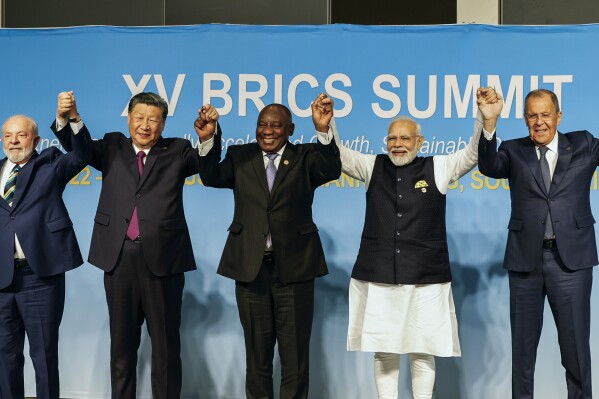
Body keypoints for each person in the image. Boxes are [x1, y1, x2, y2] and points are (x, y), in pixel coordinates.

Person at [312, 89, 499, 399]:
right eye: (392, 139)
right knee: (384, 350)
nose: (397, 144)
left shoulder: (438, 168)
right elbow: (339, 156)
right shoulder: (372, 165)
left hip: (425, 279)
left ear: (419, 142)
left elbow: (472, 154)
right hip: (379, 274)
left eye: (404, 139)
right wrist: (325, 127)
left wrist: (486, 119)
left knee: (422, 351)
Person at [52, 92, 219, 399]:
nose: (145, 125)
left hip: (164, 261)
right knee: (122, 348)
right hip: (119, 259)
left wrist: (208, 138)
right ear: (128, 118)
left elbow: (207, 169)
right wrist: (71, 117)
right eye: (139, 118)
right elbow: (79, 149)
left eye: (153, 120)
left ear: (163, 123)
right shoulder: (112, 146)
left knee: (166, 349)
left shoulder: (178, 150)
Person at [196, 103, 341, 398]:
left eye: (276, 126)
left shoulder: (305, 158)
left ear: (290, 130)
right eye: (263, 124)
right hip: (251, 270)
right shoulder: (241, 156)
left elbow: (331, 170)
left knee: (295, 360)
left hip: (295, 269)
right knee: (257, 358)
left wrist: (324, 130)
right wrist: (208, 139)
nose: (267, 131)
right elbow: (211, 177)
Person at [478, 88, 596, 399]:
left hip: (572, 263)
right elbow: (488, 167)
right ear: (525, 119)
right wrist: (488, 123)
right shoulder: (514, 150)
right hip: (525, 263)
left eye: (545, 115)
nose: (539, 122)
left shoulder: (583, 143)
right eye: (532, 116)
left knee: (576, 352)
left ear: (559, 116)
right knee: (523, 353)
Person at [0, 93, 92, 399]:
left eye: (21, 135)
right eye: (7, 136)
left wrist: (72, 119)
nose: (14, 142)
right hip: (2, 279)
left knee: (43, 356)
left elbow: (81, 155)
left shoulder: (50, 164)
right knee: (5, 357)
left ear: (36, 140)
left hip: (40, 277)